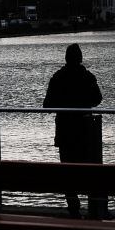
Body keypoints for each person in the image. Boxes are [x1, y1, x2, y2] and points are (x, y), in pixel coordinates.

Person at [43, 43, 102, 218]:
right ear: (80, 58)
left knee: (67, 171)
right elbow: (98, 99)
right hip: (85, 131)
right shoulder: (88, 77)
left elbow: (47, 105)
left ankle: (74, 208)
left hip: (65, 131)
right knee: (88, 170)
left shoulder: (58, 78)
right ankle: (93, 208)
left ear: (66, 58)